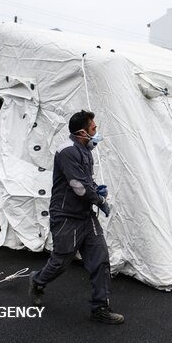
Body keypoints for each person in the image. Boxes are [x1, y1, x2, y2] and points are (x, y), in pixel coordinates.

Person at [28, 110, 124, 324]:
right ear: (82, 132)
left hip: (85, 215)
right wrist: (100, 201)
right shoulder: (67, 151)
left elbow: (85, 182)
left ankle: (100, 308)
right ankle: (37, 280)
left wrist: (96, 188)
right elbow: (78, 187)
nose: (96, 133)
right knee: (61, 261)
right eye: (93, 129)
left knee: (100, 260)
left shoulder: (84, 150)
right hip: (66, 216)